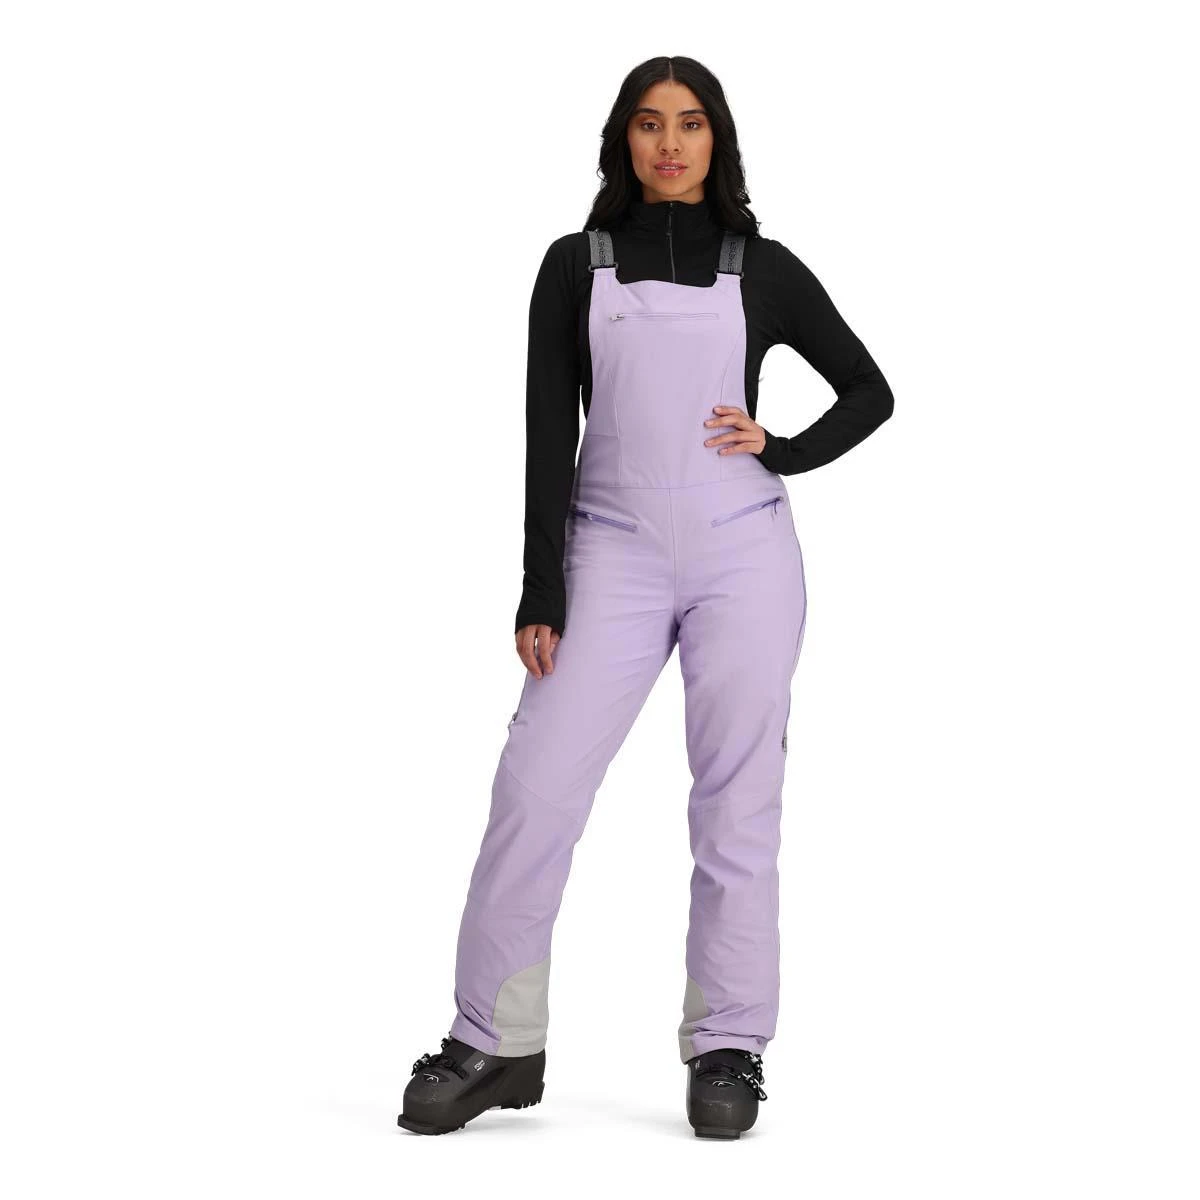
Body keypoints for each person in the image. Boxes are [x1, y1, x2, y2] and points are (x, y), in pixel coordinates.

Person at [397, 55, 893, 1140]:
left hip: (742, 549)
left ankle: (729, 1045)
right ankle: (495, 1039)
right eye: (650, 124)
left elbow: (871, 390)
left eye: (692, 124)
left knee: (737, 801)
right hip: (609, 545)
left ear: (719, 141)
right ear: (623, 139)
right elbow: (548, 427)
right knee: (535, 785)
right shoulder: (576, 265)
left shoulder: (761, 267)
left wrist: (783, 449)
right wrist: (541, 587)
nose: (671, 144)